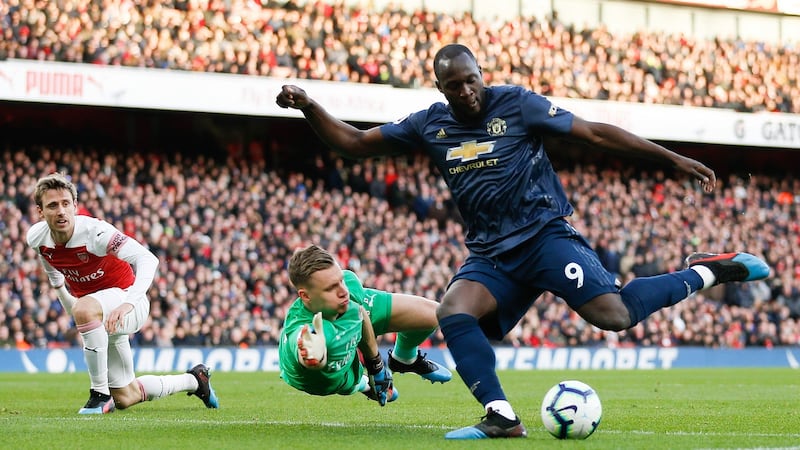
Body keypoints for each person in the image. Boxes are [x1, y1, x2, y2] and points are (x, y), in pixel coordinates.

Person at [275, 43, 770, 438]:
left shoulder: (517, 104)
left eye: (472, 80)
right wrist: (310, 106)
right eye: (455, 86)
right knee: (453, 312)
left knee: (613, 316)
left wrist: (670, 159)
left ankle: (710, 269)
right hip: (491, 253)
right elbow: (355, 144)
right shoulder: (430, 123)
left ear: (481, 74)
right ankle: (501, 417)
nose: (467, 92)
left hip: (545, 236)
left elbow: (594, 133)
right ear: (440, 87)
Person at [26, 173, 219, 414]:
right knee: (127, 396)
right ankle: (195, 380)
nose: (61, 211)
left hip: (129, 302)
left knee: (85, 308)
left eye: (66, 204)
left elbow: (148, 259)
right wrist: (71, 307)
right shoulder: (36, 237)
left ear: (75, 206)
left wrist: (127, 304)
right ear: (40, 212)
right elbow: (54, 273)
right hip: (102, 314)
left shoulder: (95, 233)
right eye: (52, 205)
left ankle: (98, 394)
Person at [278, 244, 451, 405]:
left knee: (434, 314)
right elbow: (301, 344)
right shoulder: (303, 328)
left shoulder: (348, 289)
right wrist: (311, 352)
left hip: (343, 315)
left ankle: (404, 358)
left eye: (340, 280)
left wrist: (376, 365)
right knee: (350, 382)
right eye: (331, 288)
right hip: (333, 377)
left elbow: (359, 313)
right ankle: (364, 384)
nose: (343, 290)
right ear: (306, 296)